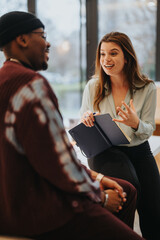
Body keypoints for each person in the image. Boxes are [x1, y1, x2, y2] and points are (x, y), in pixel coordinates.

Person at [0, 11, 144, 240]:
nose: (47, 43)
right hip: (38, 208)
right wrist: (100, 195)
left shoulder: (4, 79)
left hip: (10, 202)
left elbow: (49, 156)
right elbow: (57, 162)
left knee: (126, 187)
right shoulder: (32, 85)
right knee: (125, 208)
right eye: (42, 35)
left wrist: (98, 178)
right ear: (23, 40)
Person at [80, 31, 160, 240]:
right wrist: (87, 117)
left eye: (113, 53)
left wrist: (136, 123)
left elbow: (149, 128)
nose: (106, 59)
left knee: (154, 205)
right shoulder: (92, 86)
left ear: (127, 57)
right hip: (105, 150)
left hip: (138, 149)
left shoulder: (147, 88)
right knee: (130, 189)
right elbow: (84, 116)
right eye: (103, 54)